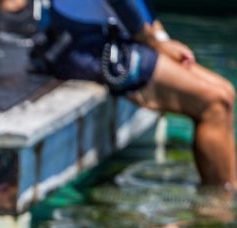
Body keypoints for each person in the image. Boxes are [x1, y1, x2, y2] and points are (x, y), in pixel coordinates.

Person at [26, 0, 236, 190]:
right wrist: (155, 44)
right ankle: (219, 206)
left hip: (112, 37)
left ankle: (228, 187)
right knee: (213, 102)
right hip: (89, 48)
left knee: (225, 92)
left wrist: (159, 38)